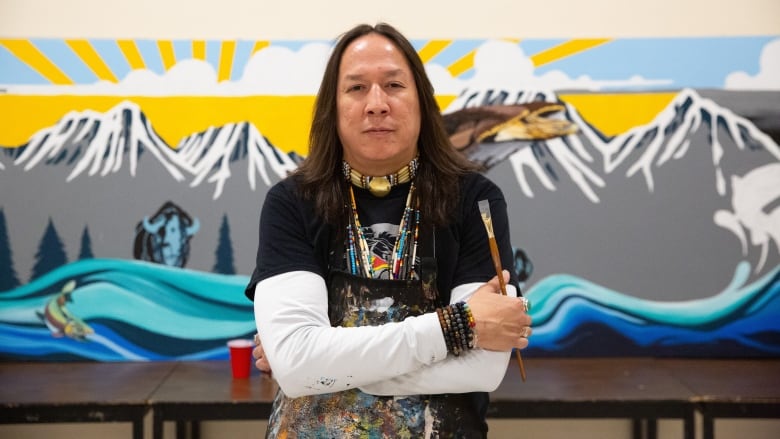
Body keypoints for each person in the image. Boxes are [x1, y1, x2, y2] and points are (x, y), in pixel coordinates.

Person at [244, 22, 532, 438]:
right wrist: (457, 327)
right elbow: (296, 366)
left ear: (421, 102)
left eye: (394, 85)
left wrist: (332, 371)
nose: (376, 103)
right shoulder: (292, 202)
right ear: (332, 107)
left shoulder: (475, 200)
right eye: (357, 88)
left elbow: (484, 367)